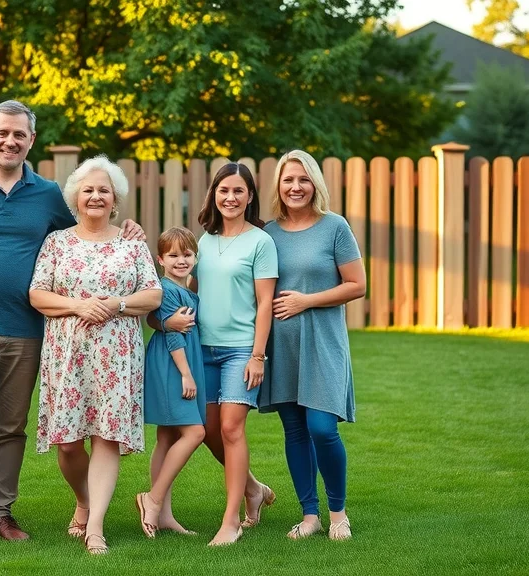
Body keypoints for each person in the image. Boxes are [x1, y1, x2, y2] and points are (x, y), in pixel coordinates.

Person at [0, 101, 145, 551]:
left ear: (31, 140)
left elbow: (89, 231)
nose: (10, 141)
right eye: (2, 133)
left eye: (19, 135)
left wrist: (131, 230)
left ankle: (0, 513)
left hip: (28, 331)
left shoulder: (47, 194)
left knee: (12, 428)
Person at [28, 155, 162, 555]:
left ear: (115, 197)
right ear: (75, 197)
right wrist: (78, 305)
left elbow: (152, 295)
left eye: (104, 190)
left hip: (117, 355)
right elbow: (37, 294)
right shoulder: (57, 242)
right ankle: (83, 501)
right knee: (68, 444)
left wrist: (117, 304)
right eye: (88, 189)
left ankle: (96, 527)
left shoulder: (132, 244)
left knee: (106, 436)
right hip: (67, 353)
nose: (96, 196)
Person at [160, 162, 278, 547]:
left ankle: (231, 521)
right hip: (201, 347)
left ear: (249, 197)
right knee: (208, 431)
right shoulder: (204, 241)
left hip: (241, 349)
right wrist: (165, 320)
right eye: (224, 190)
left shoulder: (261, 242)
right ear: (213, 195)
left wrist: (257, 355)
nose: (230, 197)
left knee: (230, 428)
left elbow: (265, 303)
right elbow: (185, 289)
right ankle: (255, 488)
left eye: (239, 191)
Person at [259, 150, 366, 541]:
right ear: (279, 186)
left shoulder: (334, 227)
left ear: (315, 184)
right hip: (281, 346)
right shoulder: (267, 233)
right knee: (295, 430)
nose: (295, 187)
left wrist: (307, 300)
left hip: (322, 342)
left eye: (303, 179)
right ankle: (310, 515)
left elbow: (357, 285)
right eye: (288, 180)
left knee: (323, 428)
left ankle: (338, 513)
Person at [135, 227, 206, 539]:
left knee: (166, 436)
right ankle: (152, 498)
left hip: (181, 360)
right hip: (173, 363)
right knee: (195, 432)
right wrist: (186, 373)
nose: (181, 260)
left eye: (187, 254)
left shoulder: (187, 289)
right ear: (161, 259)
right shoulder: (166, 289)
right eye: (174, 255)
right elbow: (174, 335)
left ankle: (163, 516)